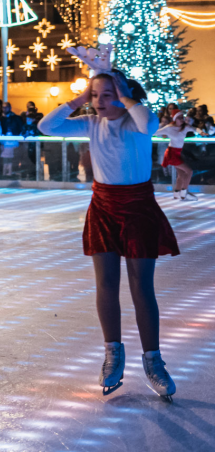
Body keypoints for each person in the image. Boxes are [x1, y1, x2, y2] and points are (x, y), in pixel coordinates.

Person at [38, 66, 179, 400]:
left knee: (141, 287)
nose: (99, 102)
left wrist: (124, 94)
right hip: (103, 208)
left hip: (138, 210)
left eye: (106, 94)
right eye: (95, 95)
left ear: (123, 95)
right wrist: (80, 99)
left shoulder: (136, 122)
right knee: (105, 285)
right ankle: (113, 354)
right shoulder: (90, 123)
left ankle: (153, 361)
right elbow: (47, 126)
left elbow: (150, 123)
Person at [156, 112, 196, 201]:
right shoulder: (169, 128)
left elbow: (195, 129)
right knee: (189, 171)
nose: (182, 119)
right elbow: (155, 132)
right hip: (172, 153)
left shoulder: (185, 127)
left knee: (181, 174)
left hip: (177, 153)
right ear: (175, 119)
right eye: (180, 118)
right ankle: (184, 193)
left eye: (182, 117)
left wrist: (202, 131)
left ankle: (177, 194)